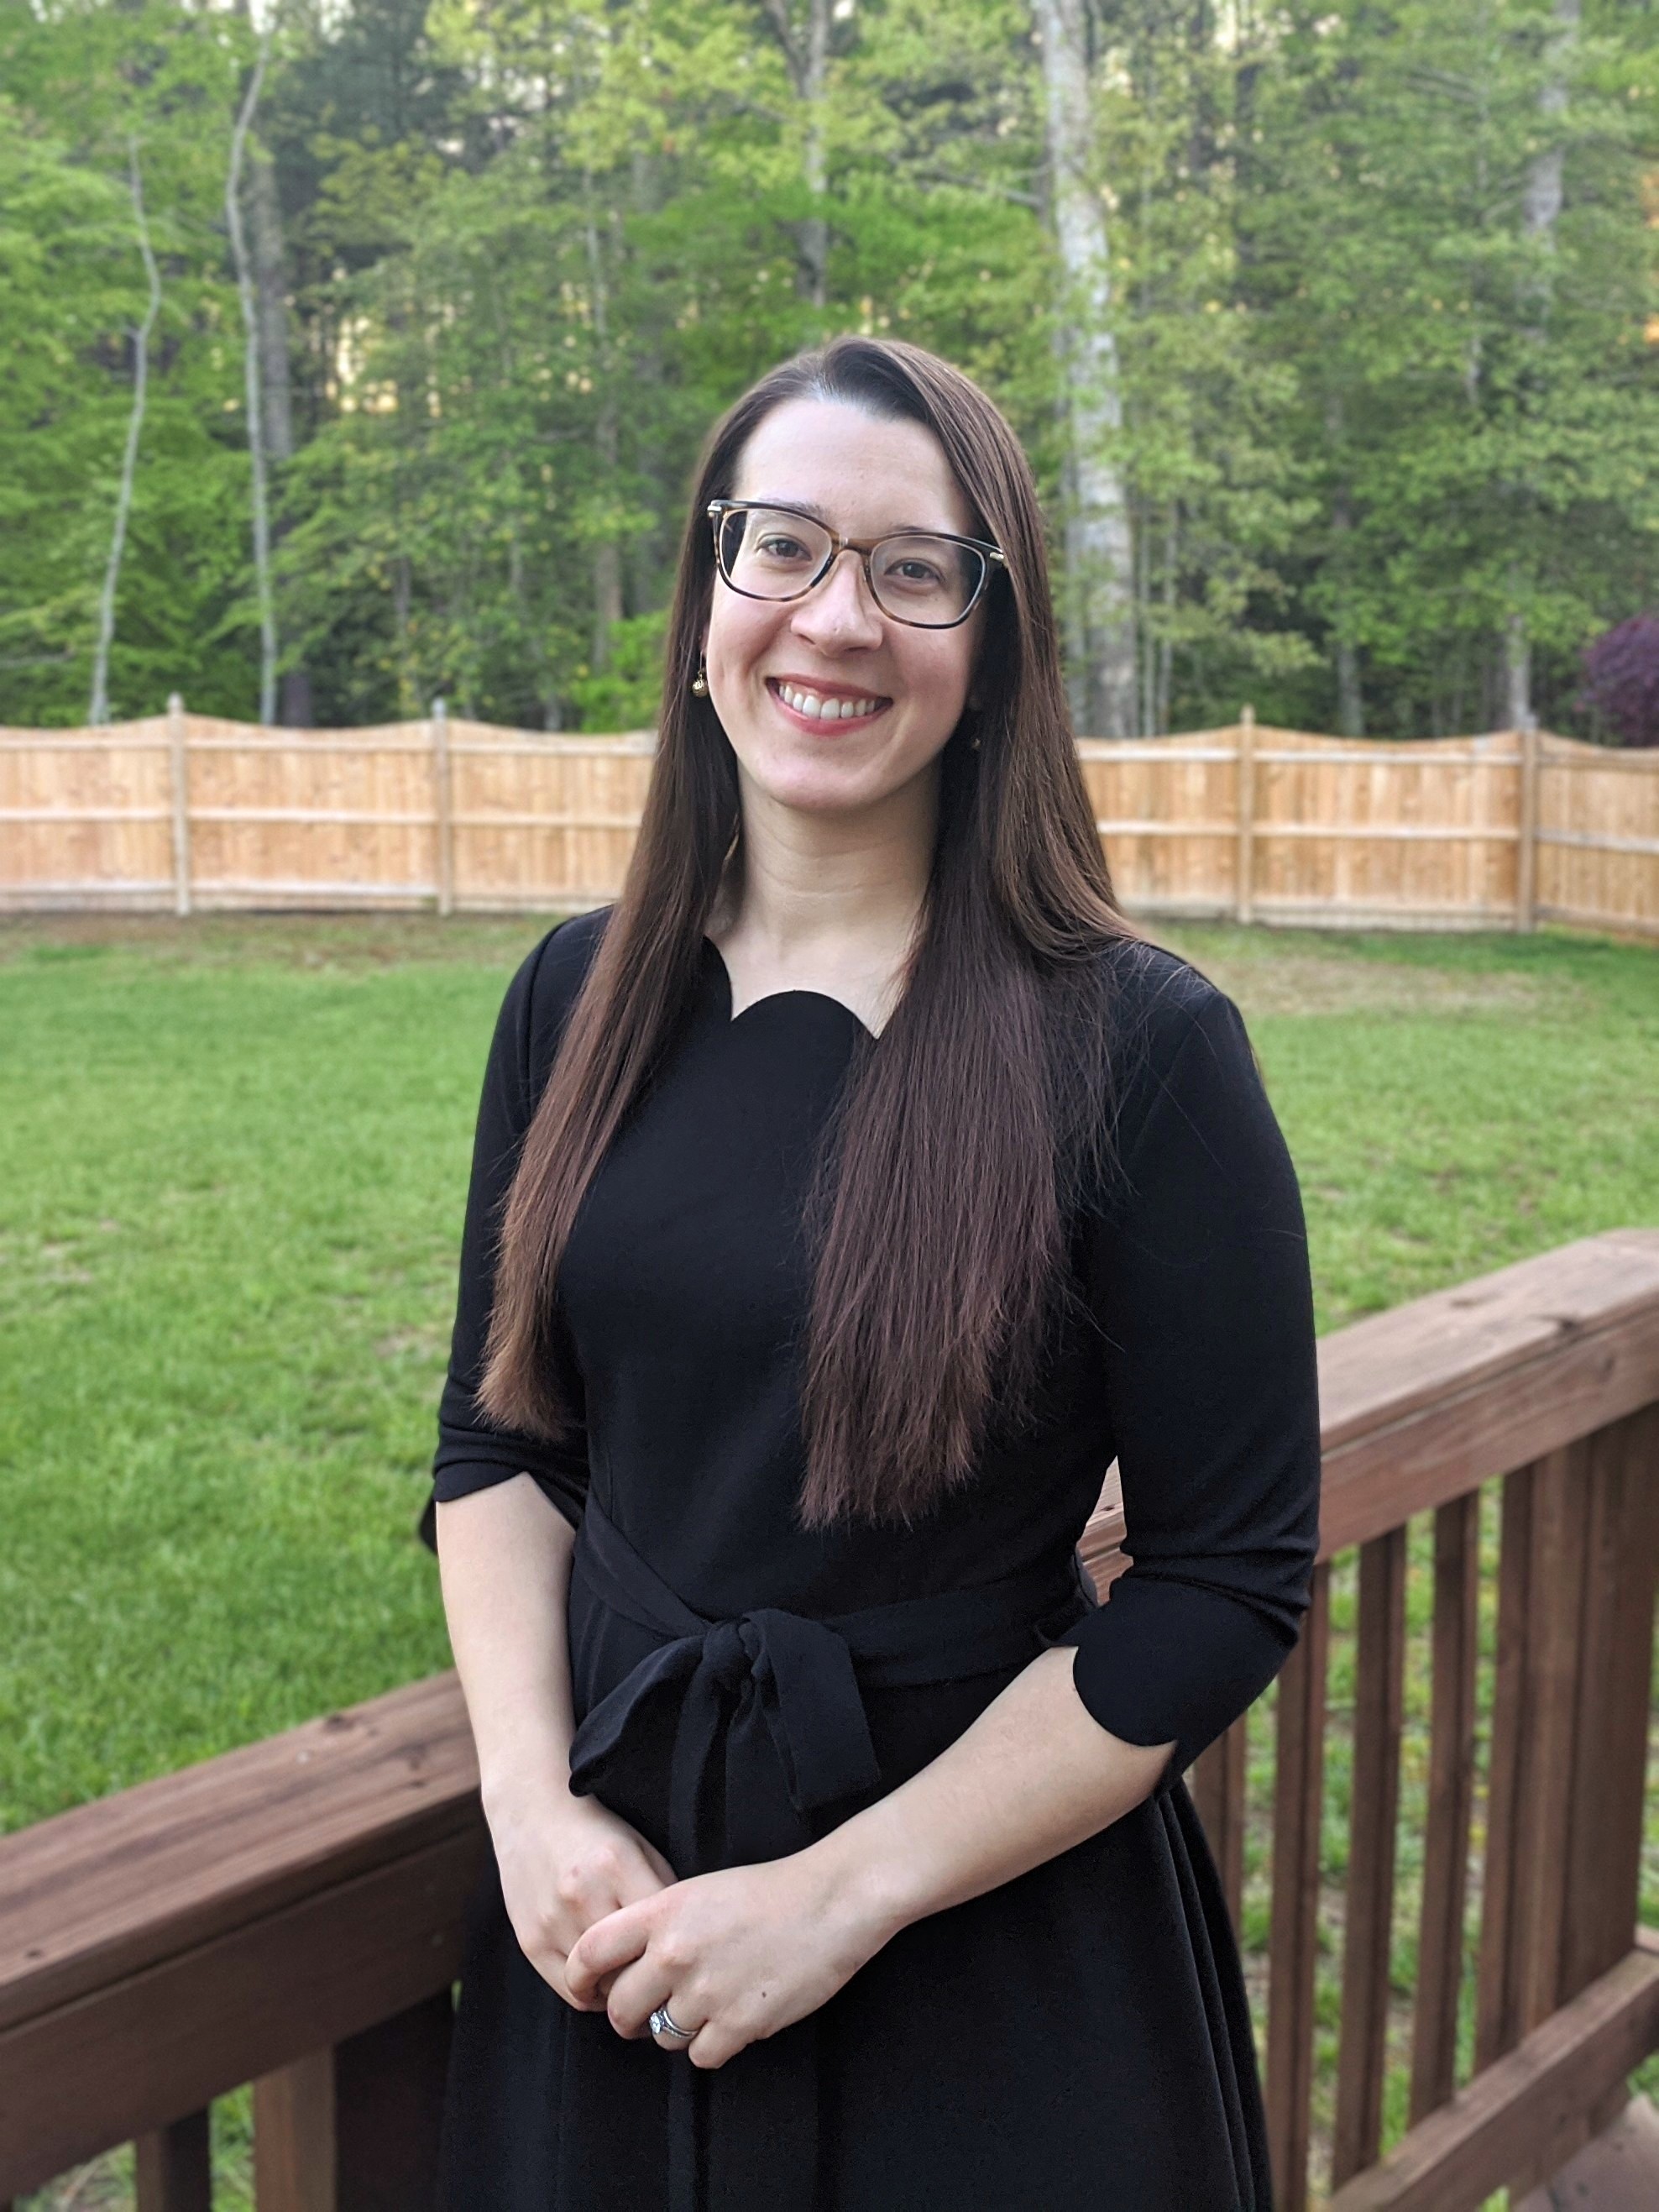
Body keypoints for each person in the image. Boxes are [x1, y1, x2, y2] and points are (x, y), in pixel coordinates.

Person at [422, 334, 1321, 2212]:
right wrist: (529, 1811)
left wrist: (840, 1898)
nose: (835, 620)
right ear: (703, 605)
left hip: (974, 1948)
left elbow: (1225, 1582)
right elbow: (499, 1447)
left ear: (991, 651)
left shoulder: (1137, 1048)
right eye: (782, 549)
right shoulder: (572, 998)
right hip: (612, 1907)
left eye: (914, 570)